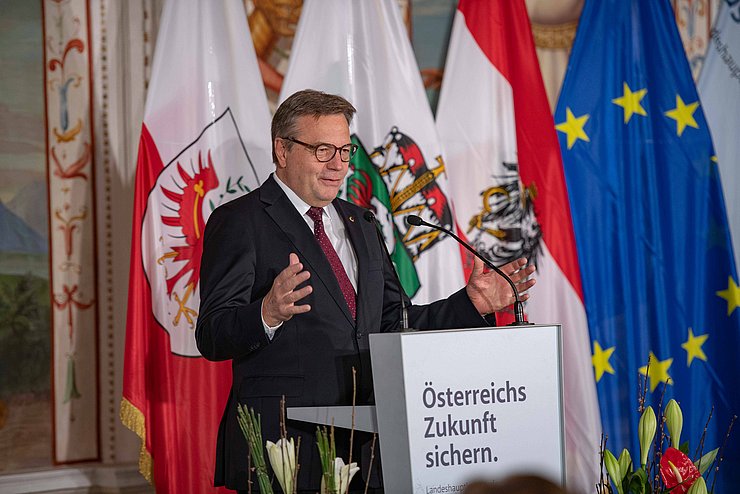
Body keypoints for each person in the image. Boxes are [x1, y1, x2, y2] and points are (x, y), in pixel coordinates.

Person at [196, 89, 536, 492]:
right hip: (288, 447)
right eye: (323, 150)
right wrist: (266, 313)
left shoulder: (362, 222)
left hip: (369, 447)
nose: (339, 165)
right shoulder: (241, 220)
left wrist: (472, 303)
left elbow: (394, 323)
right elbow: (212, 334)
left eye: (345, 150)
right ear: (282, 150)